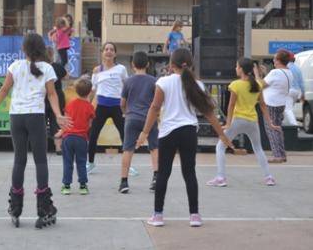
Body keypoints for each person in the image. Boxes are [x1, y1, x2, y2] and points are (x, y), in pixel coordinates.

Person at [0, 33, 72, 229]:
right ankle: (43, 208)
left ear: (24, 49)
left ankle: (16, 207)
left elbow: (3, 90)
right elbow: (52, 94)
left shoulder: (15, 66)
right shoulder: (47, 68)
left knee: (19, 160)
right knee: (40, 160)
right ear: (41, 49)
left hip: (16, 117)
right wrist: (58, 115)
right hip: (35, 116)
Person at [136, 48, 233, 228]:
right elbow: (209, 113)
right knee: (189, 173)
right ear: (189, 64)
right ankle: (194, 215)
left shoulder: (163, 82)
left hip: (168, 133)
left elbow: (154, 108)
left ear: (171, 65)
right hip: (188, 131)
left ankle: (158, 215)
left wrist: (145, 132)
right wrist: (222, 134)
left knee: (163, 173)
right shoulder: (198, 84)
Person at [207, 58, 280, 188]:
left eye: (237, 66)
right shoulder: (258, 84)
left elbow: (231, 106)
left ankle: (221, 177)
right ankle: (269, 177)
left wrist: (228, 123)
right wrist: (270, 123)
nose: (235, 68)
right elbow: (263, 105)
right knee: (258, 149)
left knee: (220, 147)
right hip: (252, 121)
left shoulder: (236, 84)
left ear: (241, 69)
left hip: (237, 120)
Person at [119, 51, 158, 194]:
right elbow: (156, 102)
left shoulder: (128, 81)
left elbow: (122, 102)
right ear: (148, 64)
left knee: (128, 150)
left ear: (132, 65)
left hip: (132, 117)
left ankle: (124, 181)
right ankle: (156, 177)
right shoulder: (154, 81)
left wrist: (125, 112)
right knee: (154, 148)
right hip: (149, 117)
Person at [87, 42, 128, 173]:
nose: (109, 51)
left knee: (125, 136)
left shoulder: (121, 68)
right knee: (93, 135)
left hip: (117, 107)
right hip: (101, 107)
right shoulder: (97, 70)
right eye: (106, 49)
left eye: (111, 49)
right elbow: (93, 90)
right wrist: (87, 105)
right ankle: (91, 163)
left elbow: (127, 88)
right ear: (102, 53)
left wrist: (126, 106)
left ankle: (128, 164)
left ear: (115, 53)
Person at [254, 49, 293, 164]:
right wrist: (264, 74)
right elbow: (272, 84)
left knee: (272, 129)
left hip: (271, 104)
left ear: (279, 61)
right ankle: (281, 154)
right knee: (277, 129)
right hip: (280, 103)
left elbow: (261, 85)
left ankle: (277, 155)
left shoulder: (275, 72)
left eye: (275, 59)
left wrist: (257, 74)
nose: (273, 61)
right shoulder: (288, 72)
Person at [60, 77, 95, 195]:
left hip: (68, 137)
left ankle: (66, 186)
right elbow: (90, 124)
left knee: (67, 161)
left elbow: (65, 119)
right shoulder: (89, 107)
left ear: (75, 90)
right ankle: (83, 185)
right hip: (81, 138)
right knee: (81, 162)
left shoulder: (70, 104)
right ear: (90, 91)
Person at [44, 46, 68, 155]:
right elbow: (67, 77)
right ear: (52, 54)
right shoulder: (57, 67)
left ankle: (41, 146)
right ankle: (58, 147)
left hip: (42, 95)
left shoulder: (40, 67)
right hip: (57, 94)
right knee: (56, 121)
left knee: (41, 121)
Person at [284, 51, 305, 125]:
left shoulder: (285, 68)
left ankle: (294, 125)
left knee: (287, 109)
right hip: (296, 91)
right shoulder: (298, 69)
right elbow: (302, 83)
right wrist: (303, 94)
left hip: (288, 91)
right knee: (289, 108)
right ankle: (287, 124)